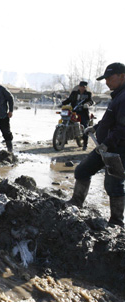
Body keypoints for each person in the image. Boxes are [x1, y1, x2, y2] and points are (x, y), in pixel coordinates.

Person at [68, 62, 125, 227]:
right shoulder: (117, 96)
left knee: (114, 184)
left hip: (118, 149)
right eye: (105, 78)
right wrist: (97, 127)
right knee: (82, 170)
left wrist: (107, 144)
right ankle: (76, 202)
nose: (107, 82)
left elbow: (122, 128)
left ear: (122, 76)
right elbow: (110, 121)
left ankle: (116, 221)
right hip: (105, 148)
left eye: (110, 78)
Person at [61, 81, 95, 150]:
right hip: (74, 111)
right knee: (64, 122)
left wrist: (87, 104)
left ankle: (85, 144)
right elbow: (69, 100)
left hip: (83, 112)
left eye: (84, 87)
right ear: (79, 86)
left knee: (85, 126)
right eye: (81, 86)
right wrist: (62, 103)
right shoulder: (74, 93)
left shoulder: (88, 94)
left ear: (85, 87)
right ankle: (63, 140)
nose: (82, 88)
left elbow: (91, 101)